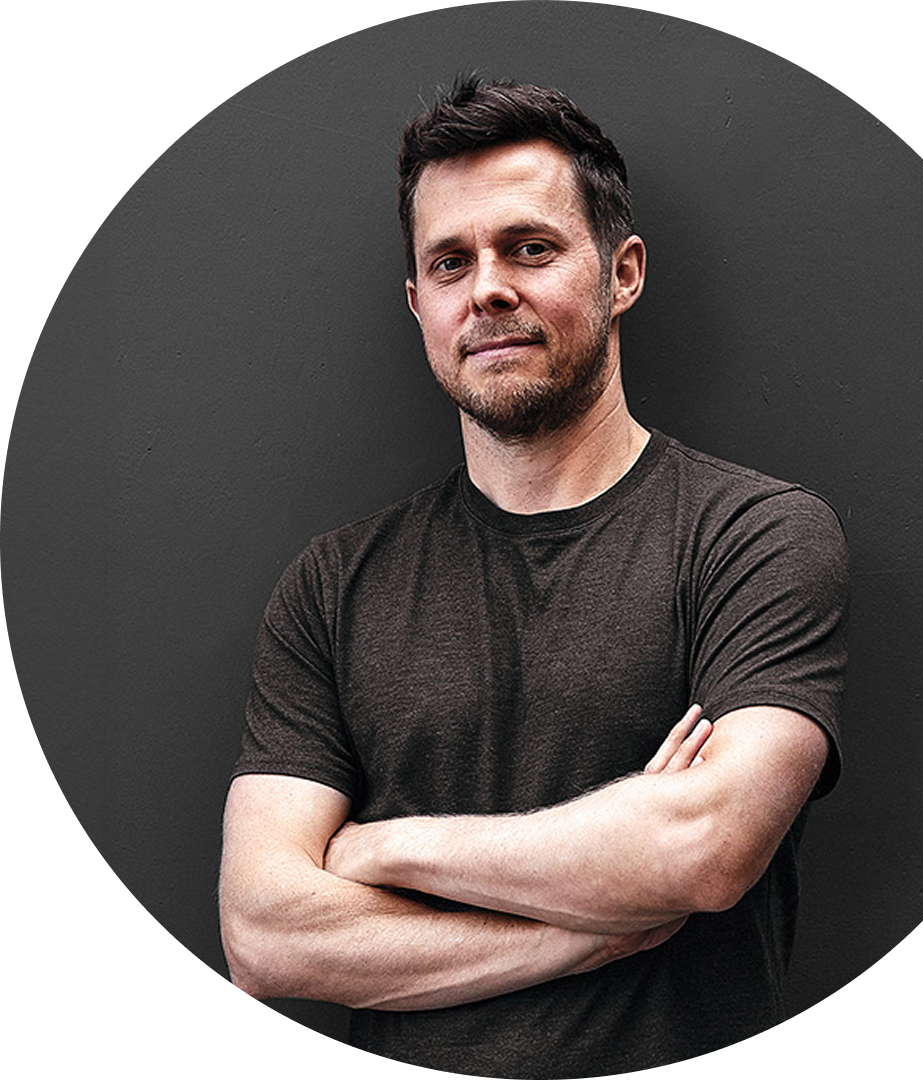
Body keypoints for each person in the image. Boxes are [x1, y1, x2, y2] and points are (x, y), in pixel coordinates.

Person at [219, 75, 850, 1076]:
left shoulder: (752, 536)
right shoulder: (333, 586)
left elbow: (709, 849)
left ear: (623, 271)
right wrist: (582, 934)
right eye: (451, 261)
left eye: (530, 247)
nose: (490, 289)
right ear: (419, 302)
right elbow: (263, 933)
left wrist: (385, 850)